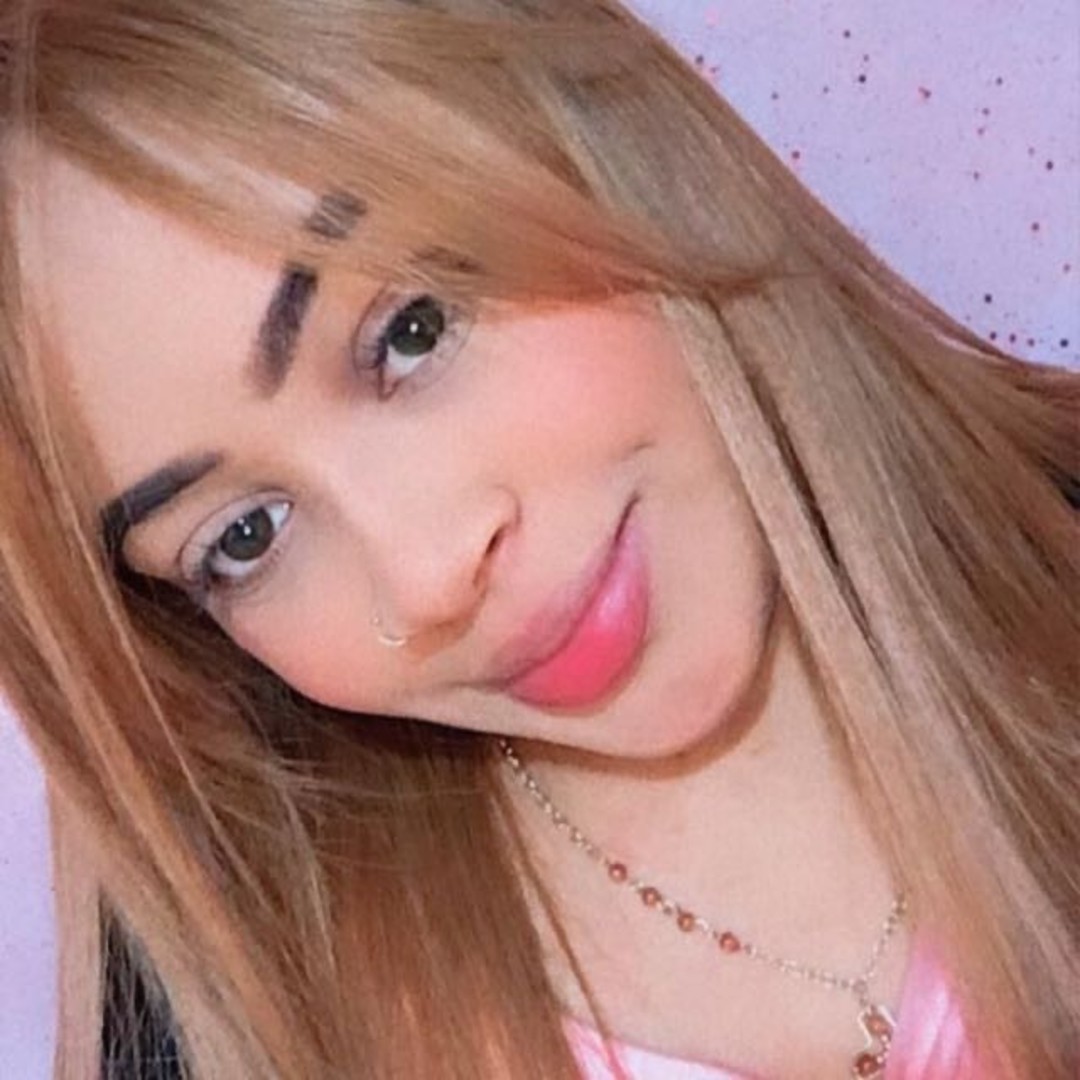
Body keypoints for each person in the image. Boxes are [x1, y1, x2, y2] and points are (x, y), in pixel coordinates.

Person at [0, 1, 1076, 1077]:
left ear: (578, 130)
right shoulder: (249, 1024)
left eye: (412, 331)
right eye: (244, 536)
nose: (426, 578)